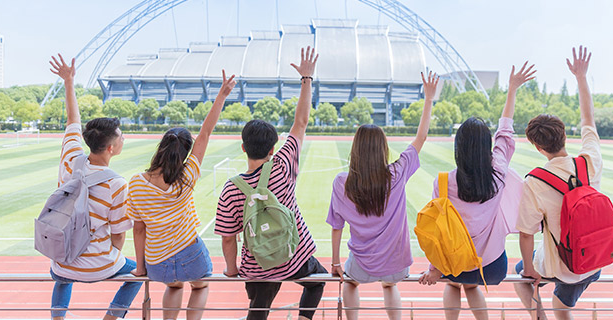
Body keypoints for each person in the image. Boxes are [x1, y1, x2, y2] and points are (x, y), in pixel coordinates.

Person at [417, 62, 537, 320]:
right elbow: (505, 133)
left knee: (453, 284)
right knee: (471, 285)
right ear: (486, 146)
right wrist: (512, 89)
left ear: (458, 148)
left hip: (454, 265)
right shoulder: (498, 173)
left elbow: (440, 232)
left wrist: (435, 268)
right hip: (492, 267)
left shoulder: (443, 182)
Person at [214, 47, 323, 320]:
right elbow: (301, 123)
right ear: (273, 149)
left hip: (257, 266)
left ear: (243, 147)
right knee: (319, 280)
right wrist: (306, 78)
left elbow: (228, 237)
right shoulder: (283, 165)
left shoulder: (230, 188)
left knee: (259, 305)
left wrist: (231, 269)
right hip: (294, 256)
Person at [327, 71, 439, 320]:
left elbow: (336, 225)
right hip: (397, 266)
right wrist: (429, 98)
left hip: (361, 265)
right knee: (390, 286)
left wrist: (335, 262)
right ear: (383, 149)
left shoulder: (342, 183)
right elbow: (421, 138)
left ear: (356, 150)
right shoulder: (397, 173)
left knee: (350, 284)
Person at [127, 71, 236, 320]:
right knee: (201, 286)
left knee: (174, 286)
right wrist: (221, 95)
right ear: (185, 153)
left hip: (156, 260)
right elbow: (205, 134)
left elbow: (139, 229)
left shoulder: (135, 183)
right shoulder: (187, 176)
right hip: (190, 252)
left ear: (161, 147)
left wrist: (141, 267)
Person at [48, 54, 141, 320]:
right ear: (111, 148)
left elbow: (72, 120)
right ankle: (111, 317)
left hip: (62, 262)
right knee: (138, 275)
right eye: (121, 137)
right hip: (101, 264)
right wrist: (107, 259)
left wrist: (69, 81)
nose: (124, 139)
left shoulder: (70, 158)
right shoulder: (116, 183)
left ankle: (57, 318)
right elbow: (119, 236)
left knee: (62, 276)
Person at [513, 46, 602, 320]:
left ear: (538, 148)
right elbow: (588, 120)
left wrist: (529, 270)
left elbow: (526, 233)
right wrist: (581, 77)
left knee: (520, 277)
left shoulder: (535, 181)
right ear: (565, 136)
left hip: (563, 265)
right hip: (596, 258)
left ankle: (540, 316)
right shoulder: (589, 161)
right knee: (562, 303)